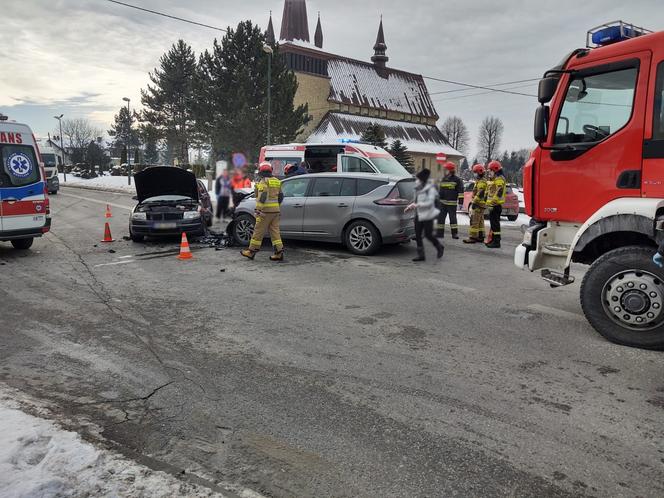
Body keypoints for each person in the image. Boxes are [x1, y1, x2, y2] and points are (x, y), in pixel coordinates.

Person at [241, 162, 285, 261]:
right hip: (275, 212)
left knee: (258, 231)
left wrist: (258, 209)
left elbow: (263, 196)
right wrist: (276, 206)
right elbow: (281, 196)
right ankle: (279, 253)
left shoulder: (263, 181)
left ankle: (251, 252)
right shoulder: (277, 181)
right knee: (275, 233)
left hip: (265, 212)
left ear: (261, 172)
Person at [405, 168, 445, 262]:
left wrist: (417, 205)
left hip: (428, 215)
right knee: (418, 235)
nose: (417, 180)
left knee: (428, 235)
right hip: (418, 215)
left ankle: (439, 247)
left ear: (423, 179)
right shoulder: (418, 188)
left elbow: (430, 202)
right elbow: (415, 201)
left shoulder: (430, 189)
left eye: (419, 179)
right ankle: (421, 255)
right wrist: (410, 206)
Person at [436, 161, 464, 239]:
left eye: (446, 169)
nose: (444, 171)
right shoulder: (443, 179)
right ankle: (439, 234)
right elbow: (440, 191)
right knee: (440, 219)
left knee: (453, 219)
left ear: (450, 170)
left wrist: (461, 203)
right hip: (442, 203)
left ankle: (454, 234)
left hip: (452, 204)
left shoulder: (457, 180)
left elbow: (461, 192)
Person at [463, 164, 488, 244]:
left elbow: (480, 193)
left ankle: (472, 237)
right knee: (480, 221)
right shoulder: (482, 181)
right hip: (481, 204)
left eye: (475, 172)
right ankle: (480, 236)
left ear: (479, 172)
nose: (474, 174)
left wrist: (474, 202)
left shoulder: (481, 182)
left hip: (478, 204)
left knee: (474, 220)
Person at [485, 160, 507, 249]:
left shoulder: (499, 179)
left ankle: (496, 242)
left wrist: (492, 203)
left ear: (495, 170)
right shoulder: (496, 179)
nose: (489, 173)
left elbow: (499, 192)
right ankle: (494, 240)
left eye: (490, 171)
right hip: (493, 206)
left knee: (495, 224)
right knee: (494, 224)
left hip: (495, 206)